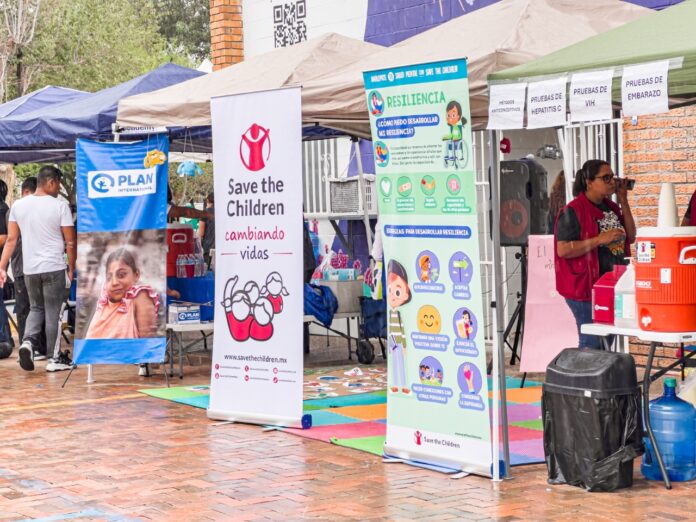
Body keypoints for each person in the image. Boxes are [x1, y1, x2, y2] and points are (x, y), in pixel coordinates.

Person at [0, 166, 76, 372]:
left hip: (30, 269)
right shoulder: (60, 206)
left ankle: (27, 342)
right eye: (58, 184)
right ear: (50, 182)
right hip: (54, 267)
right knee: (53, 312)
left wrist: (1, 267)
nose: (59, 188)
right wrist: (71, 267)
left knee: (36, 308)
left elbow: (11, 240)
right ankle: (54, 358)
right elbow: (70, 242)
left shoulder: (18, 206)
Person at [554, 160, 636, 349]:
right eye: (605, 178)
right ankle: (585, 370)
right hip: (586, 286)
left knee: (606, 340)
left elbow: (631, 236)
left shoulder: (611, 207)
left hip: (612, 284)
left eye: (612, 177)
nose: (612, 181)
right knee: (591, 341)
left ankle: (601, 370)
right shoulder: (572, 211)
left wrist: (623, 200)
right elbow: (563, 249)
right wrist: (599, 239)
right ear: (589, 182)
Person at [5, 178, 47, 360]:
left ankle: (36, 347)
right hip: (26, 267)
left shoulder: (18, 209)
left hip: (27, 267)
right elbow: (12, 239)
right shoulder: (18, 209)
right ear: (28, 192)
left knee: (32, 308)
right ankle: (30, 347)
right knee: (29, 308)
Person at [86, 248, 160, 339]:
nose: (114, 282)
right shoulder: (104, 302)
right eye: (109, 278)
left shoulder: (140, 296)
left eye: (121, 275)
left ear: (136, 275)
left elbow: (148, 341)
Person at [387, 259, 411, 395]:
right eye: (390, 290)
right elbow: (391, 330)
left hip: (399, 343)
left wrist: (404, 345)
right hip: (393, 342)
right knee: (394, 364)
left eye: (397, 292)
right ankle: (395, 384)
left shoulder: (399, 315)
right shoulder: (390, 313)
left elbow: (402, 331)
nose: (392, 296)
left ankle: (403, 385)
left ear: (405, 295)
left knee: (401, 363)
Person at [197, 191, 215, 265]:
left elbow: (201, 233)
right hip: (221, 247)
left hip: (208, 247)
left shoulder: (205, 213)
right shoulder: (224, 211)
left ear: (208, 201)